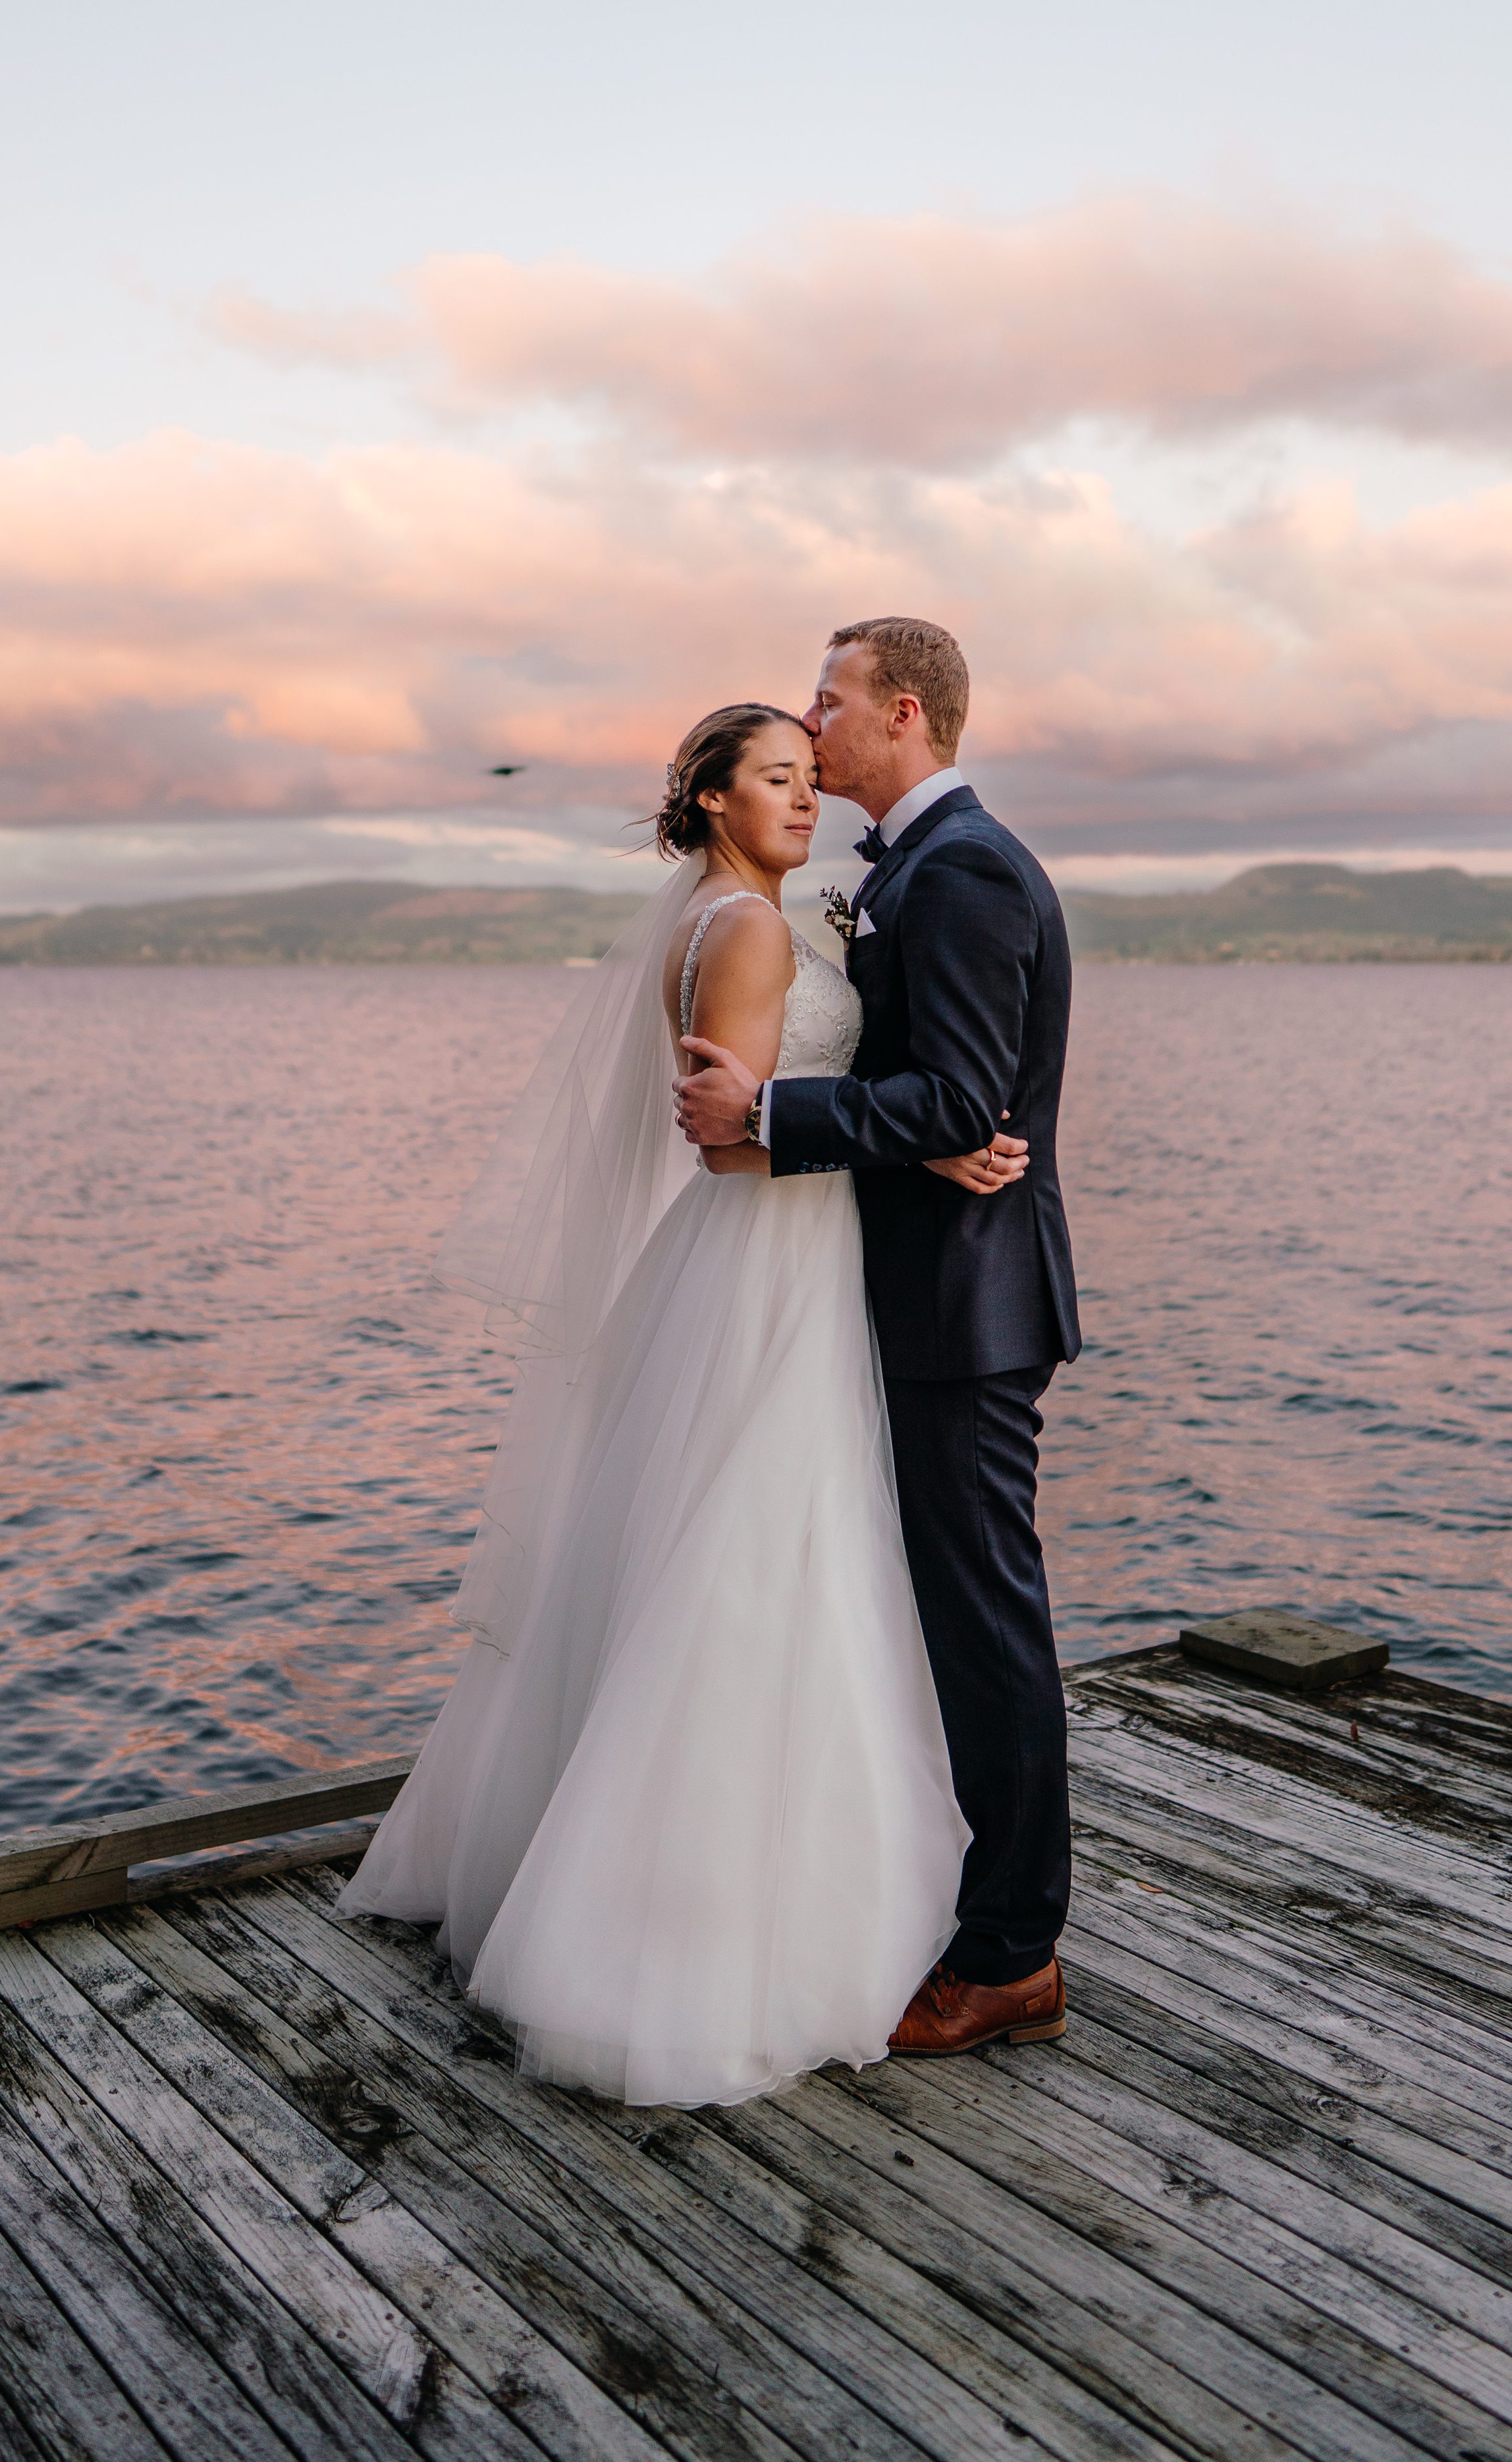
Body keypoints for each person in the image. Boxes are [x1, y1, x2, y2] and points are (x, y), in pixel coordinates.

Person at [338, 701, 1027, 2106]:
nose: (802, 794)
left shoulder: (724, 918)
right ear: (710, 800)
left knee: (716, 1559)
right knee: (761, 1565)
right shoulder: (754, 929)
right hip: (772, 1271)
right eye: (773, 777)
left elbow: (776, 1108)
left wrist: (904, 1142)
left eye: (805, 774)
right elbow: (733, 1152)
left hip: (764, 1267)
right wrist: (919, 1156)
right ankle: (700, 1924)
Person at [676, 618, 1080, 2058]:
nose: (811, 719)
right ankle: (967, 1904)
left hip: (965, 1312)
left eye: (829, 700)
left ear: (900, 712)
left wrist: (772, 1114)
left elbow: (967, 1099)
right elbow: (948, 1099)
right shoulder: (904, 869)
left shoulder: (961, 871)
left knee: (986, 1623)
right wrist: (925, 1133)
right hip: (917, 1287)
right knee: (949, 1617)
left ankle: (1013, 1953)